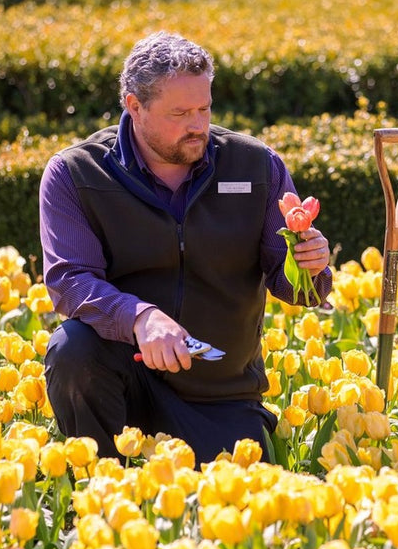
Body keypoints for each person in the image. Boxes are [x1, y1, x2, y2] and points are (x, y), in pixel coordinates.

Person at [40, 31, 333, 464]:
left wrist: (308, 264)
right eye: (180, 113)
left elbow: (300, 291)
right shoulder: (75, 173)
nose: (198, 125)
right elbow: (69, 280)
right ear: (134, 105)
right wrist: (140, 317)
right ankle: (100, 489)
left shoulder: (256, 166)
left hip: (221, 393)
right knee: (72, 349)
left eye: (204, 108)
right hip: (127, 384)